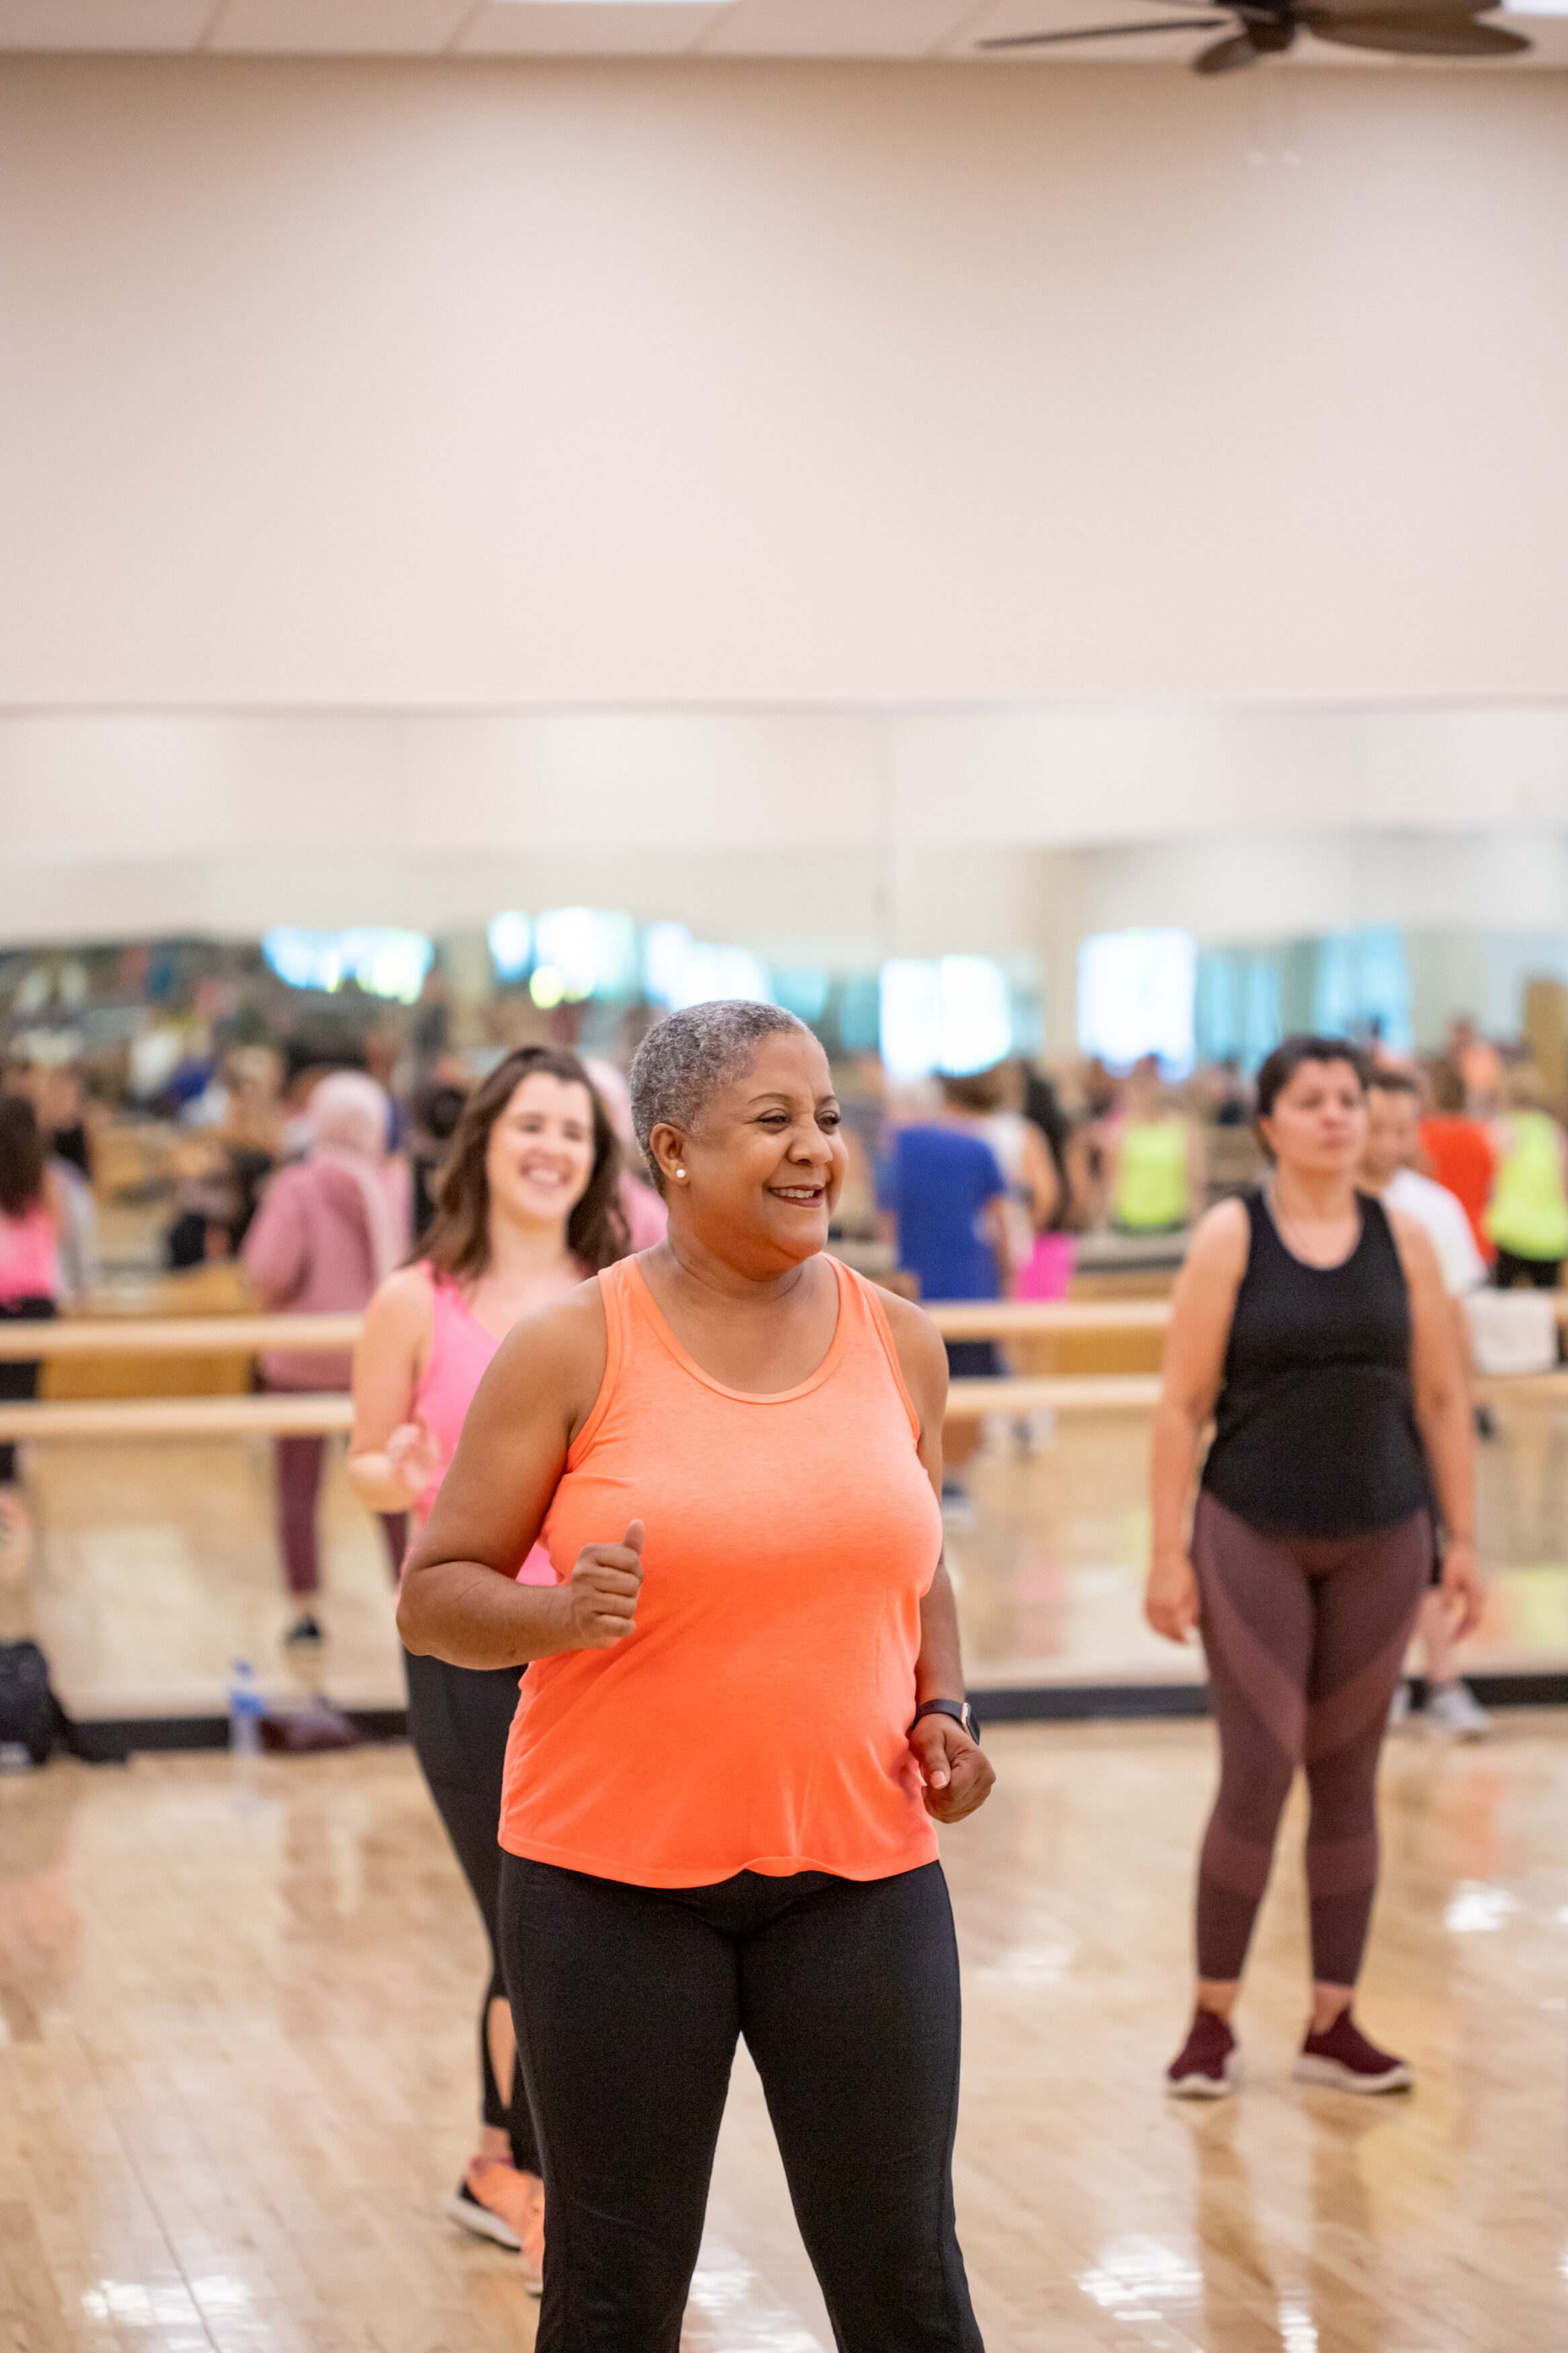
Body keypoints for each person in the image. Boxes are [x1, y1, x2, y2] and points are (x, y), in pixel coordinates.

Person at [397, 1000, 994, 2353]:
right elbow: (433, 1595)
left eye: (827, 1119)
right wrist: (553, 1617)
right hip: (610, 1889)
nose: (813, 1152)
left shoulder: (895, 1338)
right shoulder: (569, 1346)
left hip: (858, 1877)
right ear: (670, 1149)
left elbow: (919, 1559)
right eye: (772, 1121)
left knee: (906, 2274)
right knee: (611, 2293)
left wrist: (941, 1705)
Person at [1147, 1035, 1481, 2099]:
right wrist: (1166, 1552)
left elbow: (1439, 1401)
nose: (1337, 1116)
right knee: (1259, 1769)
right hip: (1252, 1528)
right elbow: (1177, 1405)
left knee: (1350, 1780)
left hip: (1384, 1533)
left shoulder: (1408, 1240)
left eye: (1350, 1098)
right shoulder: (1229, 1236)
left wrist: (1460, 1539)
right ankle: (1210, 2021)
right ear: (1270, 1123)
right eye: (1314, 1100)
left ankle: (1333, 2021)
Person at [348, 1046, 630, 2285]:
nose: (550, 1146)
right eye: (529, 1123)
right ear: (484, 1142)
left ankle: (492, 2160)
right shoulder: (414, 1299)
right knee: (530, 1926)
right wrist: (397, 1473)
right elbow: (366, 1462)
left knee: (566, 1923)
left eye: (572, 1128)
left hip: (593, 1655)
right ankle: (552, 2195)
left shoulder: (622, 1292)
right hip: (467, 1646)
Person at [243, 1071, 411, 1645]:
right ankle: (410, 1599)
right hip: (380, 1361)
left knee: (297, 1489)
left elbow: (265, 1271)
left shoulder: (298, 1186)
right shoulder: (396, 1186)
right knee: (392, 1489)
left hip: (301, 1363)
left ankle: (306, 1611)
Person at [1362, 1071, 1492, 1739]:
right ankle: (1371, 1685)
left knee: (1430, 1551)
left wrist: (1459, 1400)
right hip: (1355, 1414)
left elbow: (1457, 1309)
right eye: (1374, 1125)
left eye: (1398, 1128)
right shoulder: (1319, 1208)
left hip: (1417, 1408)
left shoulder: (1431, 1208)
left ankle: (1442, 1680)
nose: (1385, 1142)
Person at [880, 1071, 1012, 1514]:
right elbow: (1001, 1223)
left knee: (916, 1383)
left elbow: (888, 1219)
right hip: (971, 1278)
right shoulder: (976, 1147)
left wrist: (898, 1271)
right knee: (971, 1380)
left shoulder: (896, 1144)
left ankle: (924, 1478)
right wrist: (1005, 1279)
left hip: (917, 1280)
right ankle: (954, 1479)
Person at [0, 1094, 67, 1549]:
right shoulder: (45, 1180)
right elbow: (54, 1234)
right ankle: (8, 1484)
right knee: (20, 1396)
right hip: (37, 1298)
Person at [1485, 1064, 1568, 1289]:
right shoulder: (1553, 1131)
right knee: (1549, 1308)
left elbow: (1490, 1179)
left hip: (1510, 1229)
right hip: (1552, 1233)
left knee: (1503, 1304)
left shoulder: (1503, 1129)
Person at [1102, 1058, 1205, 1234]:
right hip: (1128, 1224)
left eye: (1147, 1084)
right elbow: (1112, 1180)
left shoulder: (1183, 1127)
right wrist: (1107, 1221)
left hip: (1175, 1222)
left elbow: (1196, 1178)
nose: (1143, 1091)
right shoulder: (1119, 1131)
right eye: (1137, 1084)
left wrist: (1197, 1218)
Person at [1420, 1060, 1495, 1265]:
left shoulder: (1422, 1136)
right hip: (1475, 1238)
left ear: (1432, 1096)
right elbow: (1490, 1191)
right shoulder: (1481, 1137)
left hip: (1433, 1238)